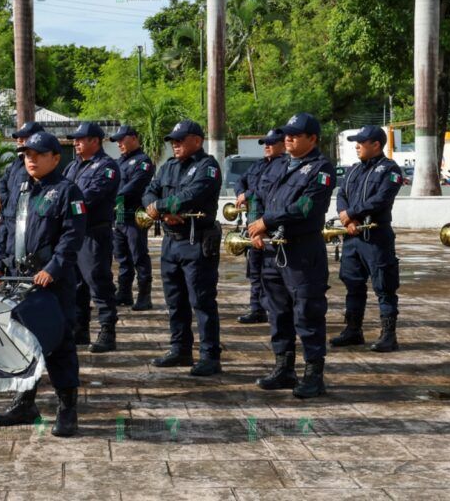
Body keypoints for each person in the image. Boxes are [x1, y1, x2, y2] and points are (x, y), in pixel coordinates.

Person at [0, 131, 86, 437]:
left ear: (55, 158)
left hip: (52, 283)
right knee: (20, 341)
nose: (31, 160)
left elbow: (72, 236)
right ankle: (25, 403)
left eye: (38, 155)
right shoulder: (20, 189)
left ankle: (67, 409)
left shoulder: (68, 191)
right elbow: (5, 231)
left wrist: (53, 268)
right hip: (18, 280)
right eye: (27, 155)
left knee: (59, 345)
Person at [247, 113, 336, 398]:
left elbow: (305, 208)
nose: (288, 138)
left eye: (295, 135)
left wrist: (266, 222)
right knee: (278, 312)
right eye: (287, 134)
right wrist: (257, 226)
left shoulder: (321, 169)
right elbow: (258, 196)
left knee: (307, 313)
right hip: (273, 249)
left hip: (302, 251)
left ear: (312, 139)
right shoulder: (278, 165)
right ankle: (284, 368)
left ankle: (314, 375)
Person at [142, 120, 224, 377]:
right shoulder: (168, 167)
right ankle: (180, 349)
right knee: (175, 300)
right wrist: (160, 212)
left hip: (196, 241)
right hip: (171, 241)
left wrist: (162, 207)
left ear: (197, 141)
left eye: (180, 139)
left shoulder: (207, 167)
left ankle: (210, 356)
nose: (175, 144)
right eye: (173, 140)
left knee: (201, 300)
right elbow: (148, 193)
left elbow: (194, 195)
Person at [332, 125, 404, 352]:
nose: (356, 146)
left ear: (376, 145)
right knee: (352, 284)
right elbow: (341, 194)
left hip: (376, 237)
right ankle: (353, 330)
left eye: (361, 142)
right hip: (353, 237)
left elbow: (381, 199)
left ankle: (388, 335)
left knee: (384, 286)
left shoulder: (390, 170)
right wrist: (347, 219)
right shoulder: (353, 170)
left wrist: (352, 214)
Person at [64, 122, 121, 352]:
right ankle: (80, 329)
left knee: (98, 282)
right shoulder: (72, 167)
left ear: (95, 141)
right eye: (75, 139)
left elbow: (90, 196)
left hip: (94, 233)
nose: (76, 142)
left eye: (81, 139)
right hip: (73, 233)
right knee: (76, 285)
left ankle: (108, 331)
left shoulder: (106, 167)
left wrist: (65, 205)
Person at [233, 128, 286, 324]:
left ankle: (274, 309)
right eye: (265, 143)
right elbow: (241, 180)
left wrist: (248, 194)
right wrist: (241, 193)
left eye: (272, 143)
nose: (267, 146)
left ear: (283, 144)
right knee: (255, 269)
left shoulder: (284, 165)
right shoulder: (258, 165)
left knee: (271, 271)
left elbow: (265, 189)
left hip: (269, 225)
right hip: (252, 222)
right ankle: (257, 308)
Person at [110, 125, 155, 312]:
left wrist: (112, 196)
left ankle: (144, 296)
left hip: (134, 217)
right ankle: (124, 293)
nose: (119, 143)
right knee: (122, 258)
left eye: (122, 139)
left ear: (134, 138)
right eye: (117, 141)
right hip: (119, 217)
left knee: (139, 257)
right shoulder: (119, 161)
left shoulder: (143, 161)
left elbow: (135, 186)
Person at [0, 121, 44, 222]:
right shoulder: (17, 162)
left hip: (24, 220)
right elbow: (3, 181)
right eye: (18, 137)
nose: (19, 140)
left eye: (24, 137)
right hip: (7, 216)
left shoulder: (41, 165)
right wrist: (5, 199)